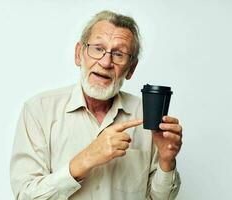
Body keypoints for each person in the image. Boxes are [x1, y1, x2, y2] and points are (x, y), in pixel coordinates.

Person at [10, 10, 183, 200]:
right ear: (79, 54)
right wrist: (87, 158)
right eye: (98, 49)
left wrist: (167, 162)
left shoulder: (146, 115)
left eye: (118, 54)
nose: (106, 62)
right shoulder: (38, 110)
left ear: (131, 69)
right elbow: (26, 196)